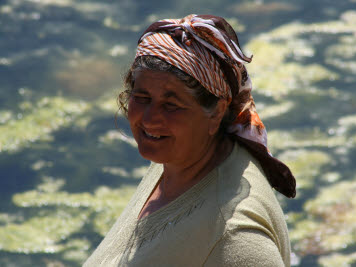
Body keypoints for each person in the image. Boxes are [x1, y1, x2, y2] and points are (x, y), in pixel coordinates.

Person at [84, 14, 296, 267]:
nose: (150, 119)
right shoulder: (174, 160)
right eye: (142, 98)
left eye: (171, 105)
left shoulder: (235, 235)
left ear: (217, 111)